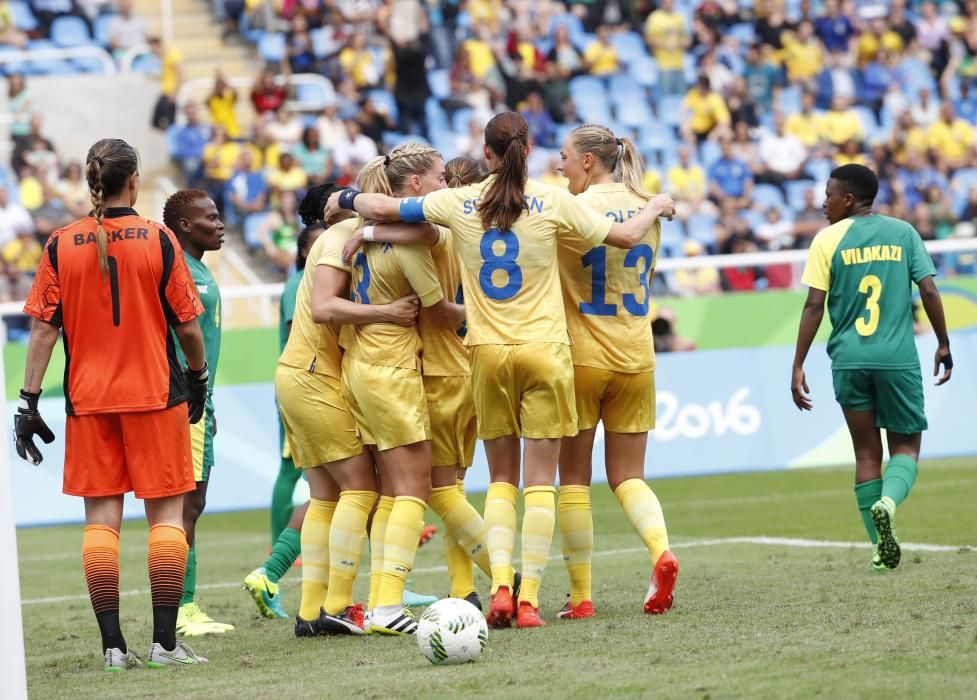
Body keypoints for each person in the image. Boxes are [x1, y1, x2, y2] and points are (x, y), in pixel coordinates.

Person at [325, 112, 675, 629]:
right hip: (551, 351)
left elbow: (391, 207)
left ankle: (502, 590)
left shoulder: (458, 202)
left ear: (485, 154)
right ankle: (531, 599)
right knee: (541, 484)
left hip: (487, 353)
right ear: (527, 151)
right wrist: (657, 206)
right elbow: (623, 238)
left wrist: (348, 206)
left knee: (501, 482)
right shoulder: (555, 200)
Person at [15, 138, 209, 669]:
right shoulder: (159, 238)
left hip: (89, 402)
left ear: (91, 181)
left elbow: (41, 331)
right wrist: (199, 378)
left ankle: (113, 650)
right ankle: (166, 645)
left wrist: (28, 402)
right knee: (167, 517)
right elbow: (188, 327)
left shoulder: (60, 243)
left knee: (101, 523)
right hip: (155, 395)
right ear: (134, 180)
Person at [791, 164, 952, 571]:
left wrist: (798, 364)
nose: (822, 202)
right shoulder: (904, 233)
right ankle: (889, 501)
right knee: (906, 448)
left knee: (866, 453)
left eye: (828, 195)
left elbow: (814, 305)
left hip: (849, 360)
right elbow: (929, 289)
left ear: (848, 199)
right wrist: (943, 343)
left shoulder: (827, 240)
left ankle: (880, 550)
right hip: (897, 359)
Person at [333, 145, 465, 635]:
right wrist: (488, 312)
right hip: (392, 370)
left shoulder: (366, 238)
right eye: (439, 178)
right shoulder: (411, 245)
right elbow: (436, 310)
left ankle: (377, 599)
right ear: (413, 186)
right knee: (417, 487)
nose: (446, 186)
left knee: (392, 491)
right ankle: (390, 606)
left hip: (363, 365)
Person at [277, 182, 416, 637]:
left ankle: (311, 610)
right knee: (362, 489)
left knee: (324, 496)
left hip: (296, 373)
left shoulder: (328, 244)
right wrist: (389, 312)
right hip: (317, 375)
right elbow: (324, 309)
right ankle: (339, 603)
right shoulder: (339, 240)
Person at [555, 124, 678, 620]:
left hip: (582, 355)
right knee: (628, 476)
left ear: (588, 161)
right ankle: (661, 552)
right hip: (637, 354)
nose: (559, 166)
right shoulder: (651, 204)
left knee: (573, 481)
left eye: (564, 157)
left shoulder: (573, 209)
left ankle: (581, 597)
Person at [160, 189, 234, 637]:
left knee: (194, 502)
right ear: (185, 225)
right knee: (186, 504)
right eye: (211, 216)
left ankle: (184, 604)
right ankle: (183, 608)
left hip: (199, 403)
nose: (220, 223)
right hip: (184, 402)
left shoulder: (199, 269)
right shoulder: (177, 271)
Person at [243, 222, 325, 620]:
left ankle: (276, 569)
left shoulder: (311, 280)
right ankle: (276, 562)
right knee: (322, 482)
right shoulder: (301, 284)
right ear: (306, 250)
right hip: (310, 385)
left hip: (307, 384)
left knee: (331, 486)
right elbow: (303, 334)